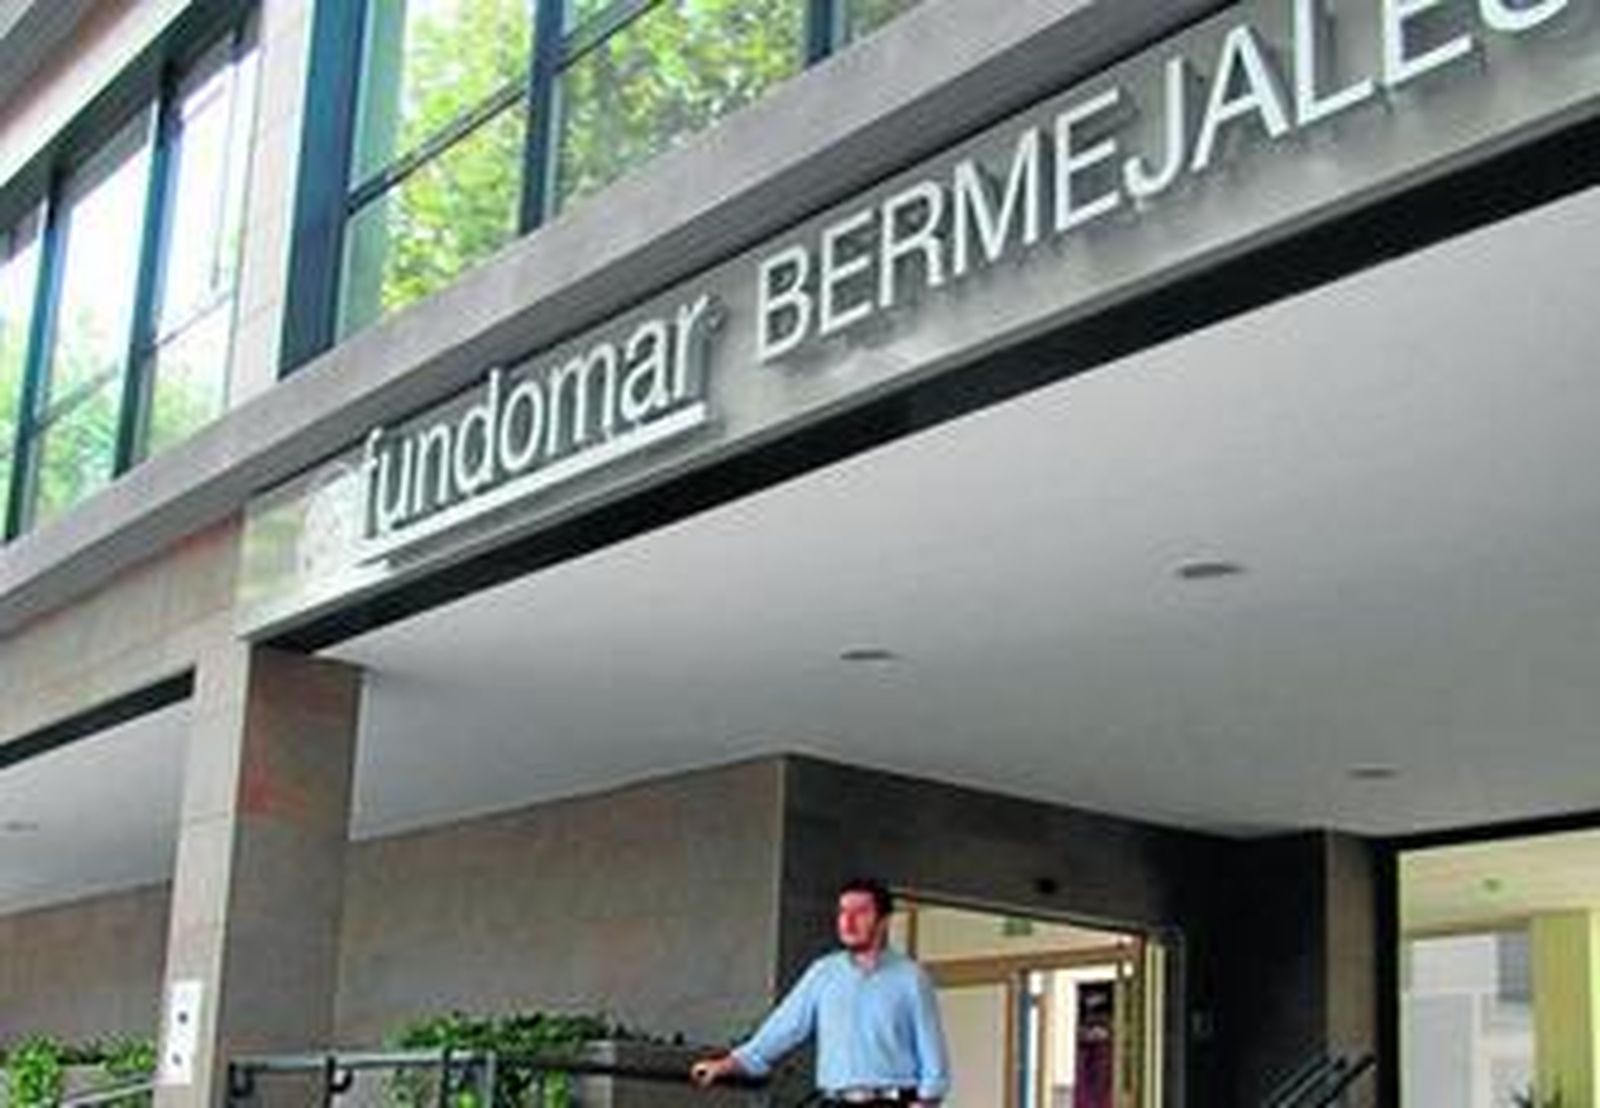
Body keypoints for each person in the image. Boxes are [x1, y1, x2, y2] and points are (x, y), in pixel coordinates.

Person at [690, 877, 951, 1106]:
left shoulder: (911, 978)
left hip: (889, 1101)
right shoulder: (823, 973)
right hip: (833, 1101)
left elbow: (932, 1050)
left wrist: (926, 1102)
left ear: (883, 921)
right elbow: (784, 1027)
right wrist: (729, 1064)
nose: (848, 922)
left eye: (860, 912)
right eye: (842, 912)